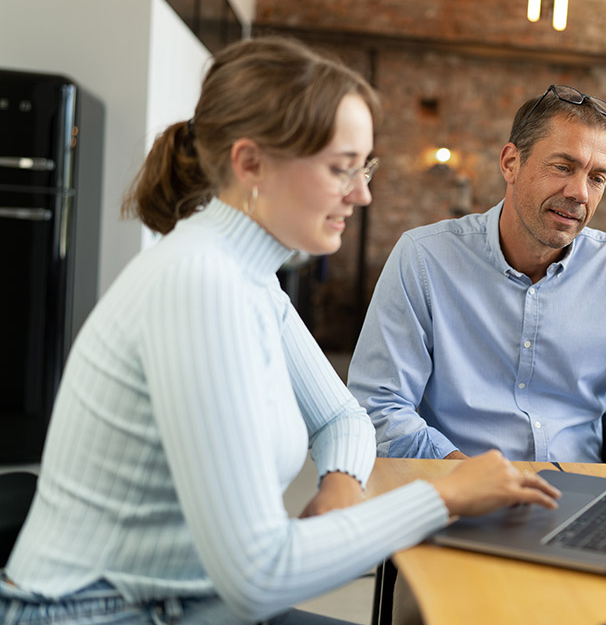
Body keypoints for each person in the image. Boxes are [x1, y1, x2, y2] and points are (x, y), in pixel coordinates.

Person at [0, 37, 559, 625]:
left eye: (365, 168)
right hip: (101, 613)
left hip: (182, 601)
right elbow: (258, 576)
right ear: (250, 164)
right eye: (342, 168)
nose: (362, 193)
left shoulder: (250, 277)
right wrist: (445, 495)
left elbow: (341, 416)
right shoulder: (201, 285)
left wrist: (341, 482)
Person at [349, 84, 606, 466]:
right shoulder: (424, 257)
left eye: (597, 178)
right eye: (563, 167)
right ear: (511, 163)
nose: (580, 193)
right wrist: (469, 477)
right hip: (458, 484)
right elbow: (379, 403)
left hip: (582, 486)